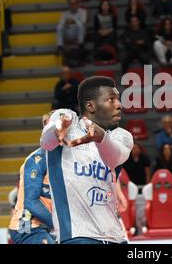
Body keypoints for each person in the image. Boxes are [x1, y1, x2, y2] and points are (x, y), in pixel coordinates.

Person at [40, 76, 134, 244]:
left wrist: (101, 138)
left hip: (116, 237)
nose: (119, 105)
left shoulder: (122, 136)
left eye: (118, 100)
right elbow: (46, 142)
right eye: (110, 100)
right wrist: (57, 130)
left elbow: (114, 157)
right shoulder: (68, 119)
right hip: (78, 235)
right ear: (90, 106)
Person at [9, 113, 55, 244]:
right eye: (47, 126)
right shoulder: (36, 159)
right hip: (27, 226)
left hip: (46, 227)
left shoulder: (64, 160)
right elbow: (31, 202)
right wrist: (59, 225)